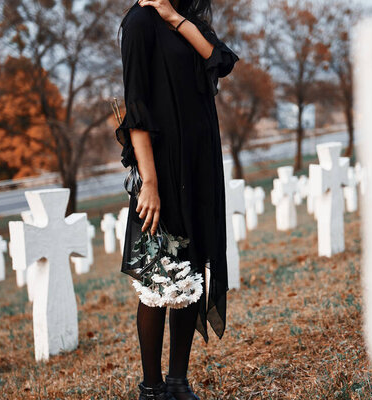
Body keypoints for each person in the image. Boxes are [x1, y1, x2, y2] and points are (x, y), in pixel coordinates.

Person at [115, 0, 239, 398]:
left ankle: (178, 383)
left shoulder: (185, 19)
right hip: (163, 169)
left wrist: (174, 17)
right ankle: (151, 389)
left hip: (199, 166)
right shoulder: (137, 23)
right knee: (159, 278)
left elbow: (219, 59)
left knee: (189, 276)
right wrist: (148, 182)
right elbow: (135, 106)